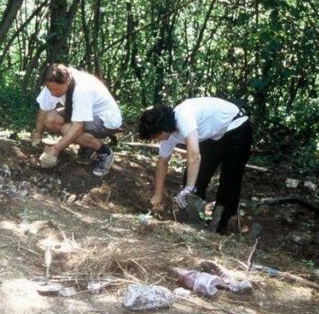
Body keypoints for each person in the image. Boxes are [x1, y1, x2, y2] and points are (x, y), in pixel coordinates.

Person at [136, 98, 252, 234]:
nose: (156, 140)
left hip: (236, 126)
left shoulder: (184, 117)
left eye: (155, 136)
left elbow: (194, 156)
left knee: (229, 181)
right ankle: (192, 224)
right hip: (212, 135)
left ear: (163, 129)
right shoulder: (167, 135)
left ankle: (221, 228)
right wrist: (157, 195)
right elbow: (162, 162)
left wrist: (189, 188)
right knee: (195, 179)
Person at [30, 63, 122, 176]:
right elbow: (43, 109)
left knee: (68, 129)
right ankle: (88, 146)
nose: (52, 93)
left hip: (106, 119)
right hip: (80, 113)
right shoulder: (52, 81)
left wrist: (55, 149)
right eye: (50, 89)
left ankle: (105, 153)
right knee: (50, 119)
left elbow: (78, 126)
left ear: (67, 81)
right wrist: (38, 133)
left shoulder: (82, 89)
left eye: (56, 90)